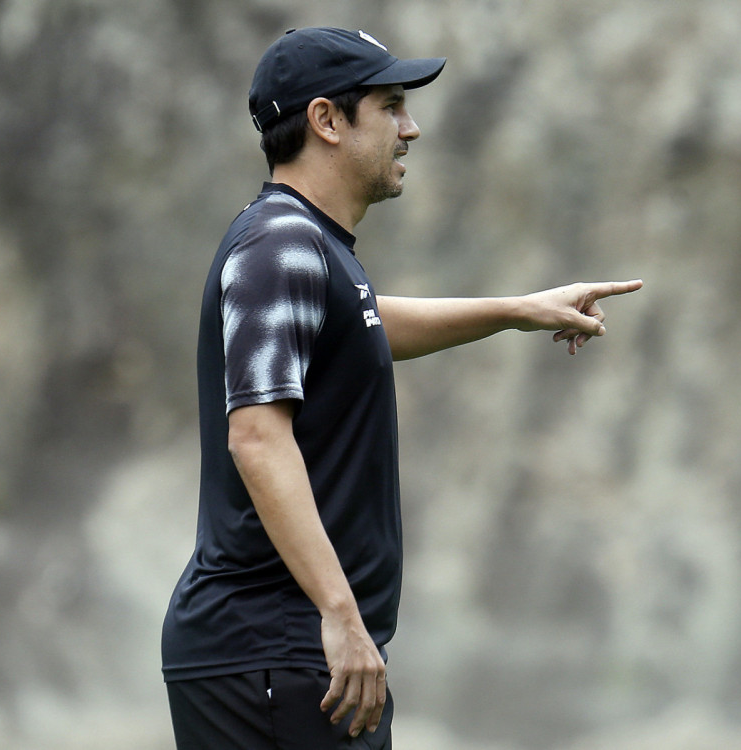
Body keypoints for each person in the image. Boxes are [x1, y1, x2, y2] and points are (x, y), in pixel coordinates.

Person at [160, 26, 642, 750]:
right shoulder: (281, 245)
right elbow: (257, 437)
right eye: (390, 106)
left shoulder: (307, 247)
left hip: (289, 649)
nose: (410, 128)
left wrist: (518, 310)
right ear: (327, 120)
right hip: (277, 645)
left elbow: (363, 324)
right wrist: (339, 613)